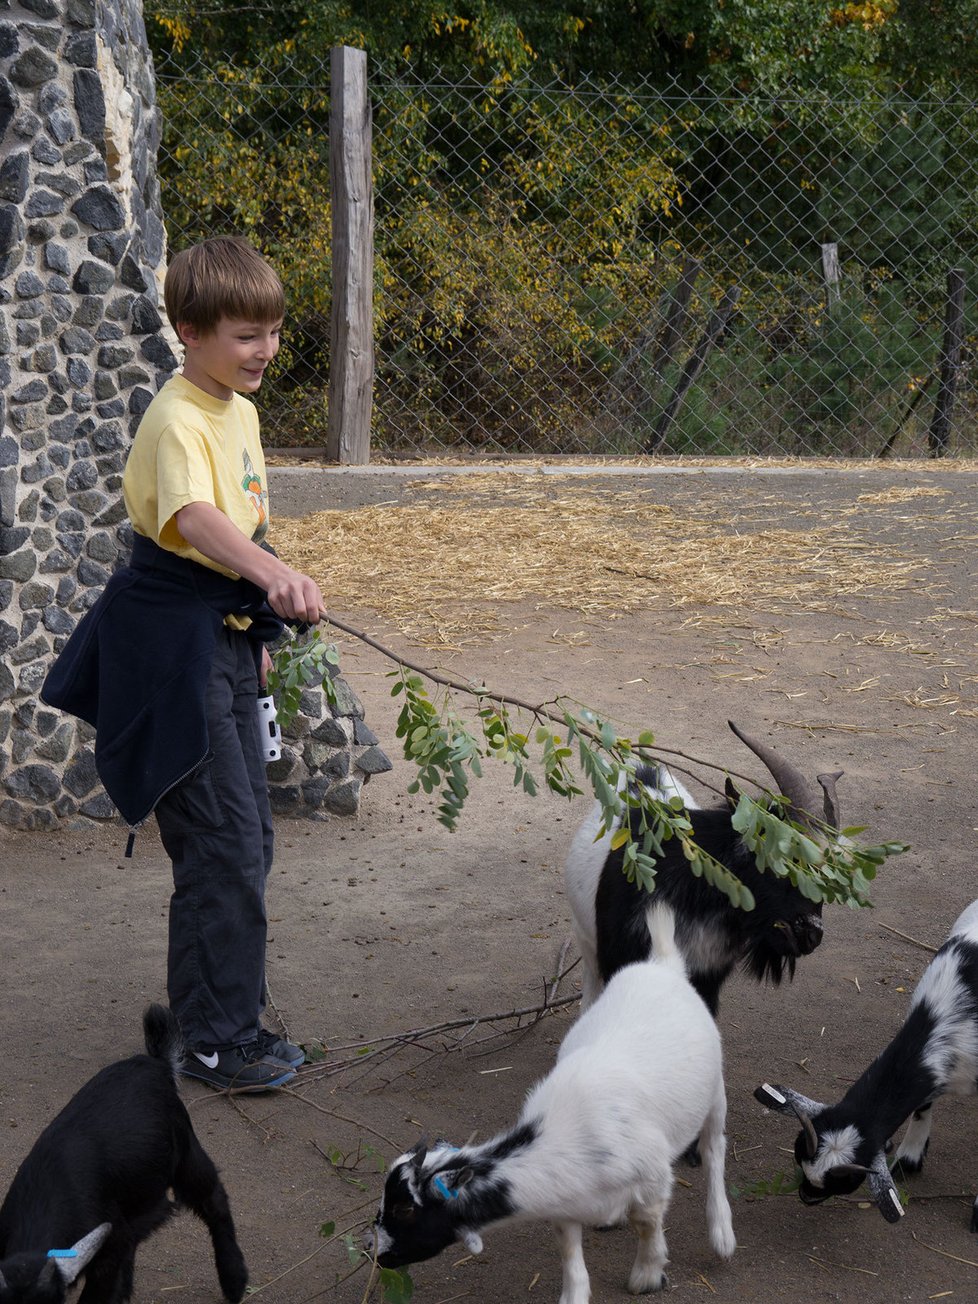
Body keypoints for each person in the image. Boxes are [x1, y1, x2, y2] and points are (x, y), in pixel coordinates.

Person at [43, 236, 325, 1091]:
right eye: (246, 335)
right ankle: (212, 1040)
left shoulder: (237, 409)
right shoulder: (175, 418)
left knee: (251, 836)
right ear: (190, 331)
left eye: (272, 332)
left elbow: (241, 522)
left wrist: (256, 637)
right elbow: (199, 521)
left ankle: (227, 1016)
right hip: (171, 648)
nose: (266, 350)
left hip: (222, 638)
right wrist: (273, 576)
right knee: (222, 842)